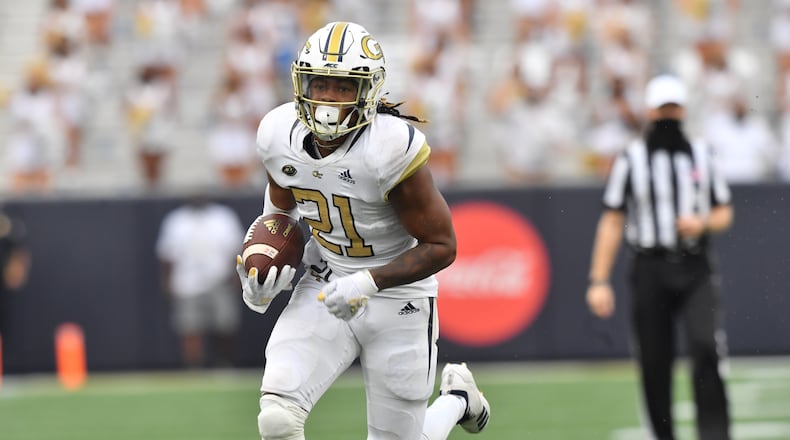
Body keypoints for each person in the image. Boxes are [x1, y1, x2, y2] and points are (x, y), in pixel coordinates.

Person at [235, 21, 490, 440]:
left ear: (367, 92)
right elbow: (282, 213)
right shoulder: (278, 133)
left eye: (342, 88)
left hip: (398, 295)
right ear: (302, 84)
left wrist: (368, 282)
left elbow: (443, 246)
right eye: (320, 85)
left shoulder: (389, 147)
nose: (329, 101)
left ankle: (457, 398)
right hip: (326, 281)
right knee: (277, 418)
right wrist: (262, 275)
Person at [585, 74, 733, 440]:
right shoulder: (631, 159)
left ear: (683, 110)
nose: (668, 115)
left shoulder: (702, 153)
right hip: (649, 266)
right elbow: (613, 219)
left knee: (705, 346)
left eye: (674, 108)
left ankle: (714, 434)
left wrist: (700, 223)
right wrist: (599, 279)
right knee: (654, 360)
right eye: (662, 108)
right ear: (650, 111)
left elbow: (724, 211)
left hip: (695, 264)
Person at [156, 193, 245, 368]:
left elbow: (237, 249)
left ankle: (224, 363)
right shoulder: (176, 220)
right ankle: (193, 367)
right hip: (186, 282)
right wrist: (167, 281)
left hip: (220, 278)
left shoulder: (223, 217)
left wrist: (238, 278)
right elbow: (167, 254)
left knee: (225, 324)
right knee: (190, 327)